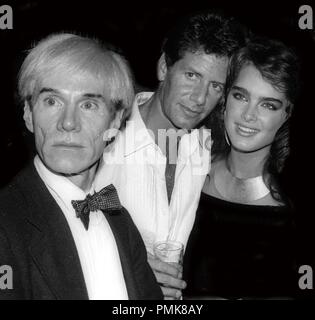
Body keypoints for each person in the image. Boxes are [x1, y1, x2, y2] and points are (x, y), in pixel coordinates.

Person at [94, 11, 246, 299]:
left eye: (216, 86)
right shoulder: (105, 139)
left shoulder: (206, 145)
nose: (200, 98)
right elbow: (63, 224)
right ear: (164, 67)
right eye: (192, 75)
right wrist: (129, 267)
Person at [0, 33, 162, 300]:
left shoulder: (120, 220)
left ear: (115, 122)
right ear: (28, 114)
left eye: (88, 105)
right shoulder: (6, 224)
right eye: (52, 101)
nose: (68, 122)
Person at [183, 37, 300, 299]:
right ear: (225, 101)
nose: (248, 115)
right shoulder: (186, 171)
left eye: (268, 105)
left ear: (288, 114)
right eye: (240, 96)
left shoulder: (292, 209)